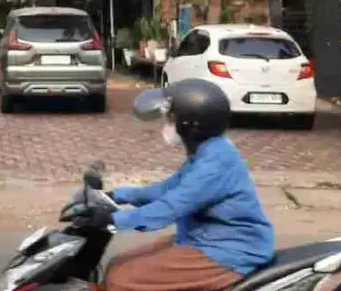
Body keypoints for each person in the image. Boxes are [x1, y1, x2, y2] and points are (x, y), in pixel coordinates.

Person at [86, 79, 275, 291]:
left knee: (121, 279)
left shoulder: (215, 164)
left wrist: (114, 219)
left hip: (229, 250)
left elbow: (171, 207)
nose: (166, 124)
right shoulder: (208, 151)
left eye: (171, 119)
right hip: (202, 237)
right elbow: (166, 189)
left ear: (190, 124)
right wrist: (116, 196)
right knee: (117, 264)